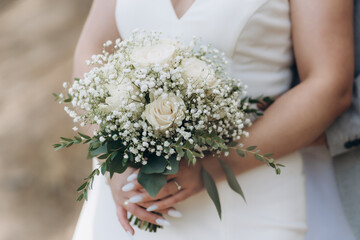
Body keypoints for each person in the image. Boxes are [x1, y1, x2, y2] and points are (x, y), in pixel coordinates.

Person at [71, 0, 354, 239]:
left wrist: (211, 167)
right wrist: (111, 161)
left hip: (248, 197)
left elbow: (328, 85)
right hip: (128, 199)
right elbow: (92, 51)